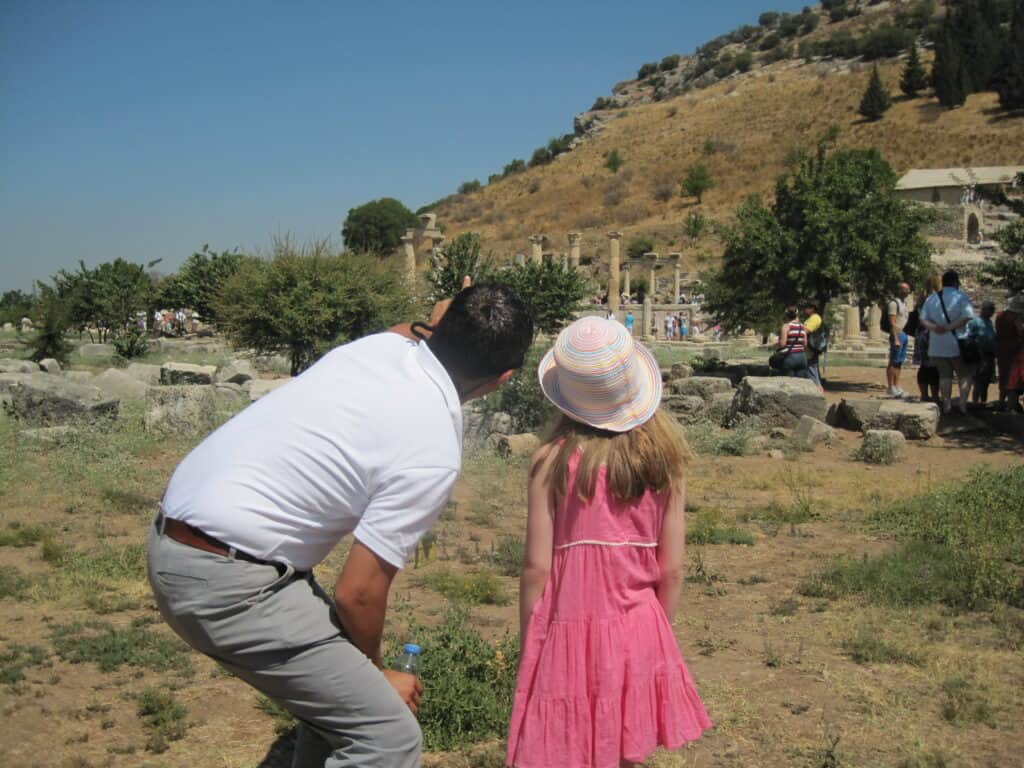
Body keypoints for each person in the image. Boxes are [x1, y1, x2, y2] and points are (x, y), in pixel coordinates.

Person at [147, 284, 533, 768]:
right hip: (228, 582)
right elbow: (359, 592)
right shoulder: (433, 448)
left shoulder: (382, 347)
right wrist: (375, 674)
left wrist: (454, 310)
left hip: (184, 541)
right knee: (389, 737)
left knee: (340, 717)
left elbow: (410, 332)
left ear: (439, 325)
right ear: (501, 379)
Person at [506, 317, 711, 768]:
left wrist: (531, 636)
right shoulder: (665, 462)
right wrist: (660, 631)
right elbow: (672, 568)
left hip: (569, 622)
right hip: (641, 624)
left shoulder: (549, 461)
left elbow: (537, 567)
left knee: (569, 743)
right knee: (624, 742)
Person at [920, 270, 974, 415]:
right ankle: (962, 404)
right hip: (957, 341)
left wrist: (935, 328)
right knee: (964, 374)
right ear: (956, 282)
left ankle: (947, 405)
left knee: (945, 375)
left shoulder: (931, 299)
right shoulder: (961, 296)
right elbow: (968, 316)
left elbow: (923, 319)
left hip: (937, 343)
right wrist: (949, 327)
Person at [913, 274, 942, 403]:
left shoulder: (922, 298)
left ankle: (924, 395)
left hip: (921, 333)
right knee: (935, 366)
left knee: (924, 366)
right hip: (932, 333)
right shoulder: (936, 299)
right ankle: (935, 395)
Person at [995, 293, 1024, 412]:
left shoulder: (999, 315)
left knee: (1003, 376)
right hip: (1015, 351)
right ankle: (1012, 405)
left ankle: (1001, 402)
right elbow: (1021, 333)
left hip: (1002, 349)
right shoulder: (1016, 318)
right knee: (1014, 379)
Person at [966, 301, 997, 404]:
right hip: (980, 355)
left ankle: (983, 402)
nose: (992, 312)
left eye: (993, 310)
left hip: (990, 356)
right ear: (983, 310)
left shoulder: (989, 322)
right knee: (978, 381)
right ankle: (975, 402)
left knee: (986, 381)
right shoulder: (975, 322)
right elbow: (969, 337)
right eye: (990, 310)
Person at [885, 282, 912, 398]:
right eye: (905, 289)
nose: (908, 291)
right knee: (893, 361)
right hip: (897, 334)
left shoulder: (904, 303)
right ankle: (890, 386)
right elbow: (892, 322)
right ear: (899, 290)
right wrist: (895, 338)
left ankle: (896, 386)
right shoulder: (893, 303)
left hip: (903, 334)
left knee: (899, 362)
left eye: (908, 289)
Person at [777, 306, 810, 379]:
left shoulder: (786, 326)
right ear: (797, 315)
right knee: (800, 382)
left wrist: (778, 343)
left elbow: (783, 344)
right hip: (802, 357)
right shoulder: (802, 327)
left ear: (786, 315)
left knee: (789, 383)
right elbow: (805, 344)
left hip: (790, 357)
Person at [802, 300, 825, 389]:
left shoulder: (815, 318)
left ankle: (820, 396)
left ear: (812, 309)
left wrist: (796, 325)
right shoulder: (811, 318)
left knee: (813, 377)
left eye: (807, 307)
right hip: (808, 351)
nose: (805, 309)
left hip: (810, 352)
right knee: (812, 375)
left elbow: (806, 331)